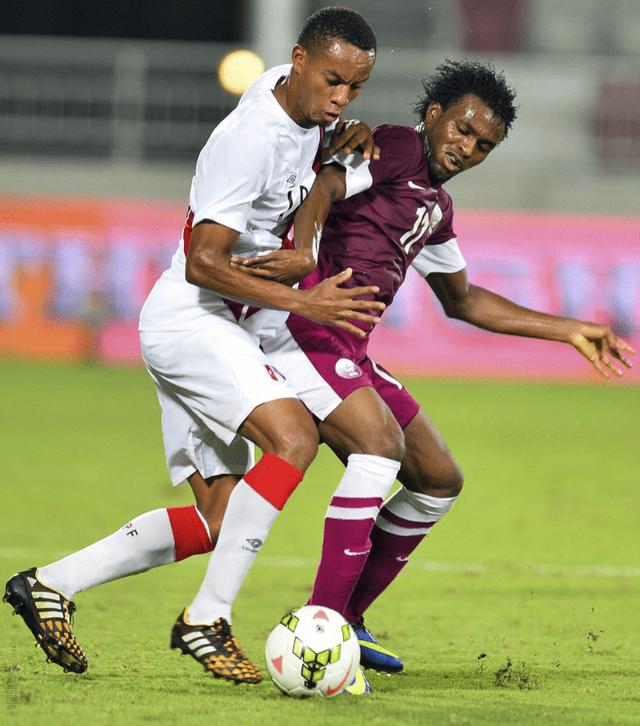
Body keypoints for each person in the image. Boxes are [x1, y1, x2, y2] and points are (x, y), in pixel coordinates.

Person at [3, 7, 383, 687]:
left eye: (354, 89)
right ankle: (207, 618)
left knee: (216, 519)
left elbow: (299, 174)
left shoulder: (302, 109)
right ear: (298, 60)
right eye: (332, 82)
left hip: (221, 325)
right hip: (194, 319)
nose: (341, 99)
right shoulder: (248, 140)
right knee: (293, 437)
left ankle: (48, 584)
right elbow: (204, 260)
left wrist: (333, 152)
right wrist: (305, 295)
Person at [232, 59, 636, 676]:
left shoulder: (436, 207)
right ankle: (322, 629)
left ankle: (350, 620)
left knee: (439, 479)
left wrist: (567, 329)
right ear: (433, 115)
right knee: (379, 448)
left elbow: (463, 299)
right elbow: (327, 186)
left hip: (350, 349)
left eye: (483, 144)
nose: (467, 148)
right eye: (463, 129)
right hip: (301, 331)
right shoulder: (394, 147)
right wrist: (304, 257)